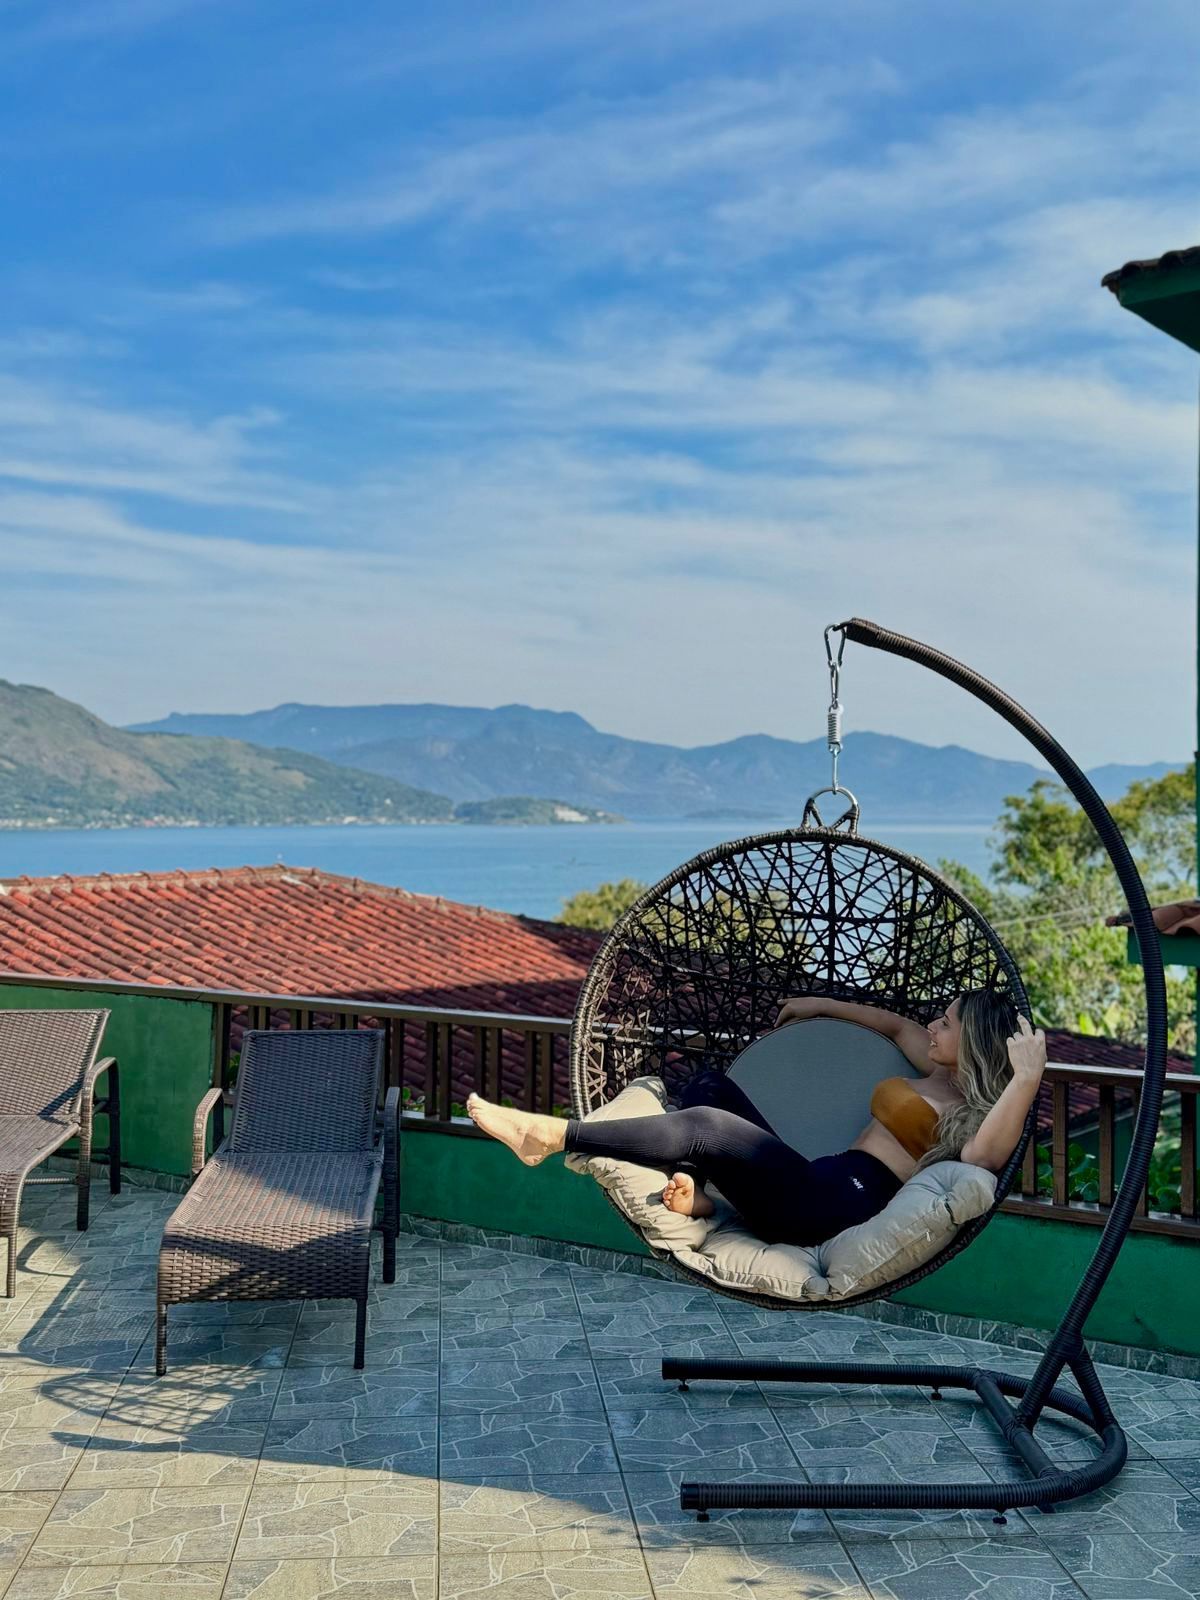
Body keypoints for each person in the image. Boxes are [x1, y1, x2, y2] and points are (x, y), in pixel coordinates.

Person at [466, 989, 1047, 1248]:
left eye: (947, 1023)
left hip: (838, 1204)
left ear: (974, 1041)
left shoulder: (980, 1115)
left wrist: (1026, 1078)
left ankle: (547, 1134)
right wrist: (819, 1005)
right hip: (821, 1178)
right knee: (713, 1087)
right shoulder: (935, 1069)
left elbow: (980, 1162)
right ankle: (704, 1197)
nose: (934, 1028)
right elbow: (895, 1026)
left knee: (710, 1127)